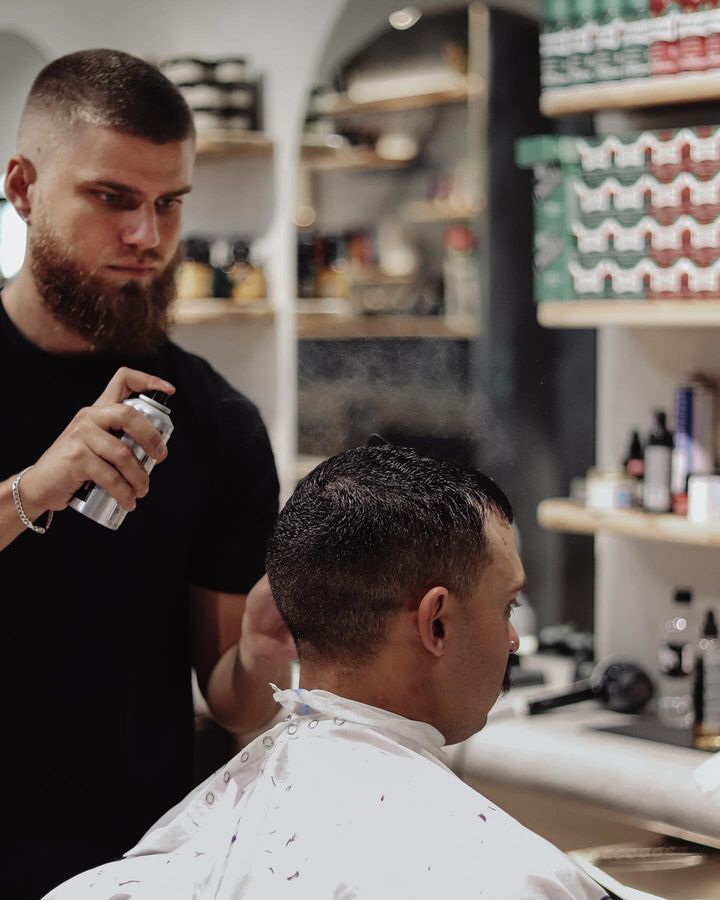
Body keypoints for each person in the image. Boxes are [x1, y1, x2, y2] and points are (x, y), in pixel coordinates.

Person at [44, 445, 613, 899]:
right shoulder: (511, 879)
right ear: (435, 622)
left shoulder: (157, 867)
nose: (513, 640)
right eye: (507, 606)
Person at [0, 49, 294, 898]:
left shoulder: (217, 421)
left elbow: (231, 700)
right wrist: (32, 491)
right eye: (112, 197)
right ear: (22, 187)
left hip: (129, 868)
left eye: (169, 203)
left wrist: (267, 652)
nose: (149, 238)